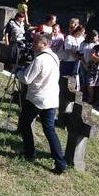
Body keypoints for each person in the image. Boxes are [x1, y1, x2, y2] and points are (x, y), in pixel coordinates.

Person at [17, 31, 66, 174]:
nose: (33, 44)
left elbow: (26, 79)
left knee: (25, 122)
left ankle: (29, 152)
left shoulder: (40, 60)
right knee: (49, 130)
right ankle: (60, 163)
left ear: (44, 44)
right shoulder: (55, 57)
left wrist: (18, 72)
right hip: (51, 99)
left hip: (37, 98)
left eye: (36, 42)